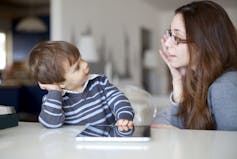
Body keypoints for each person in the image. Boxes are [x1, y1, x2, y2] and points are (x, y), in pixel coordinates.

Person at [152, 1, 237, 130]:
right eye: (170, 34)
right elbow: (181, 127)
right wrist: (177, 79)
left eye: (177, 38)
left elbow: (229, 147)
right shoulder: (200, 80)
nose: (168, 44)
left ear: (203, 44)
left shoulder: (224, 87)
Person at [28, 41, 134, 128]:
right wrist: (55, 91)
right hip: (75, 150)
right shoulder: (54, 100)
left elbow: (118, 98)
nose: (85, 64)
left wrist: (124, 116)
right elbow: (50, 123)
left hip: (106, 141)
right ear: (61, 83)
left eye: (81, 59)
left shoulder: (100, 82)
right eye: (77, 68)